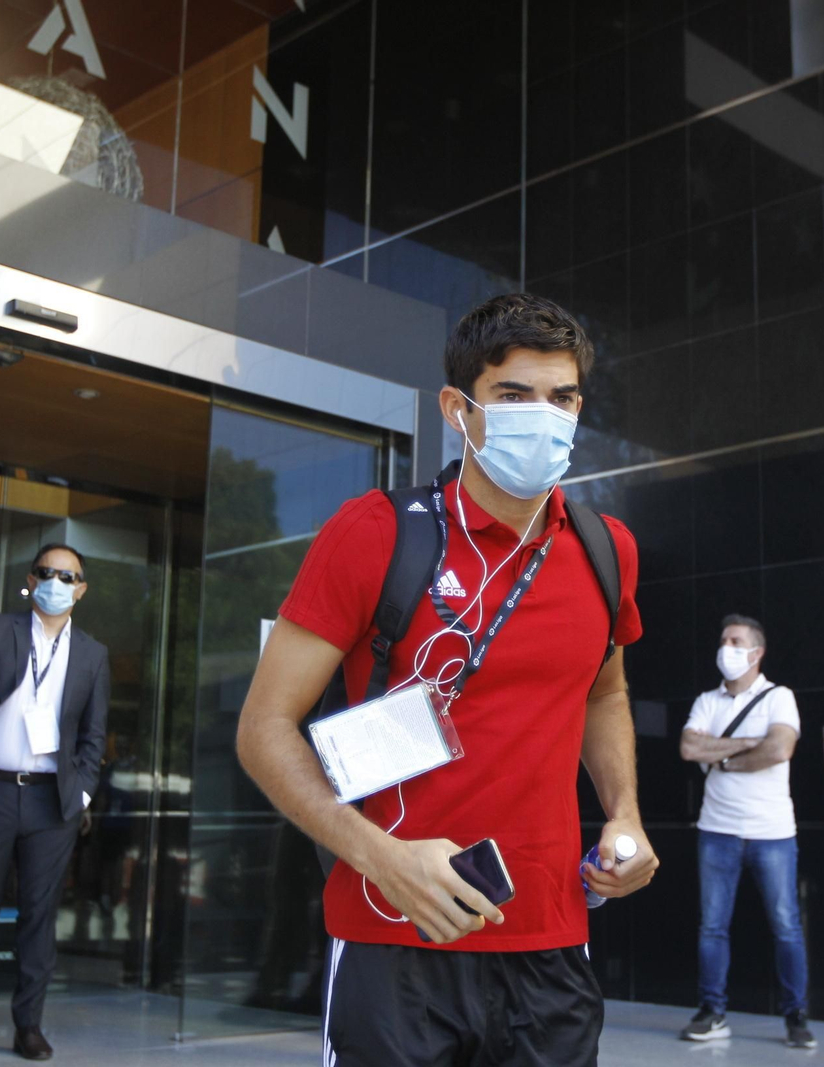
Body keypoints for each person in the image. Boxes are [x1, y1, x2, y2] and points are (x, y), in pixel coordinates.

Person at [236, 293, 658, 1066]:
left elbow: (605, 690)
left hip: (552, 941)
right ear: (457, 409)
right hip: (394, 935)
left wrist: (624, 811)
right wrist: (380, 856)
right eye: (514, 394)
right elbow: (263, 728)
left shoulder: (607, 549)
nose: (544, 415)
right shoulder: (374, 532)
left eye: (561, 397)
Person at [0, 544, 109, 1061]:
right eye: (48, 573)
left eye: (68, 576)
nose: (57, 583)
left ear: (81, 588)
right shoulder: (1, 626)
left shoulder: (94, 654)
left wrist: (79, 794)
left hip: (51, 802)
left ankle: (27, 1025)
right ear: (32, 580)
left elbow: (94, 737)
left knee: (39, 915)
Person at [678, 615, 814, 1049]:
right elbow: (688, 747)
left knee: (787, 925)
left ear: (757, 653)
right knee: (712, 926)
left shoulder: (779, 698)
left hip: (773, 832)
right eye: (723, 640)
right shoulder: (706, 700)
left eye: (735, 641)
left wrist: (721, 755)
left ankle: (796, 1016)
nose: (726, 648)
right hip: (716, 830)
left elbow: (780, 748)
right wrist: (745, 744)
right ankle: (712, 1012)